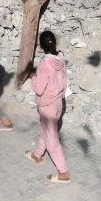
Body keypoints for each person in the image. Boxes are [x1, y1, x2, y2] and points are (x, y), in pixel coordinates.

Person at [23, 30, 70, 183]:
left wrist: (32, 77)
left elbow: (38, 89)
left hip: (47, 104)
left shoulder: (44, 65)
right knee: (46, 130)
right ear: (54, 43)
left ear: (41, 46)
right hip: (58, 103)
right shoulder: (60, 61)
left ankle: (63, 172)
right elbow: (64, 83)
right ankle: (37, 154)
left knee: (52, 138)